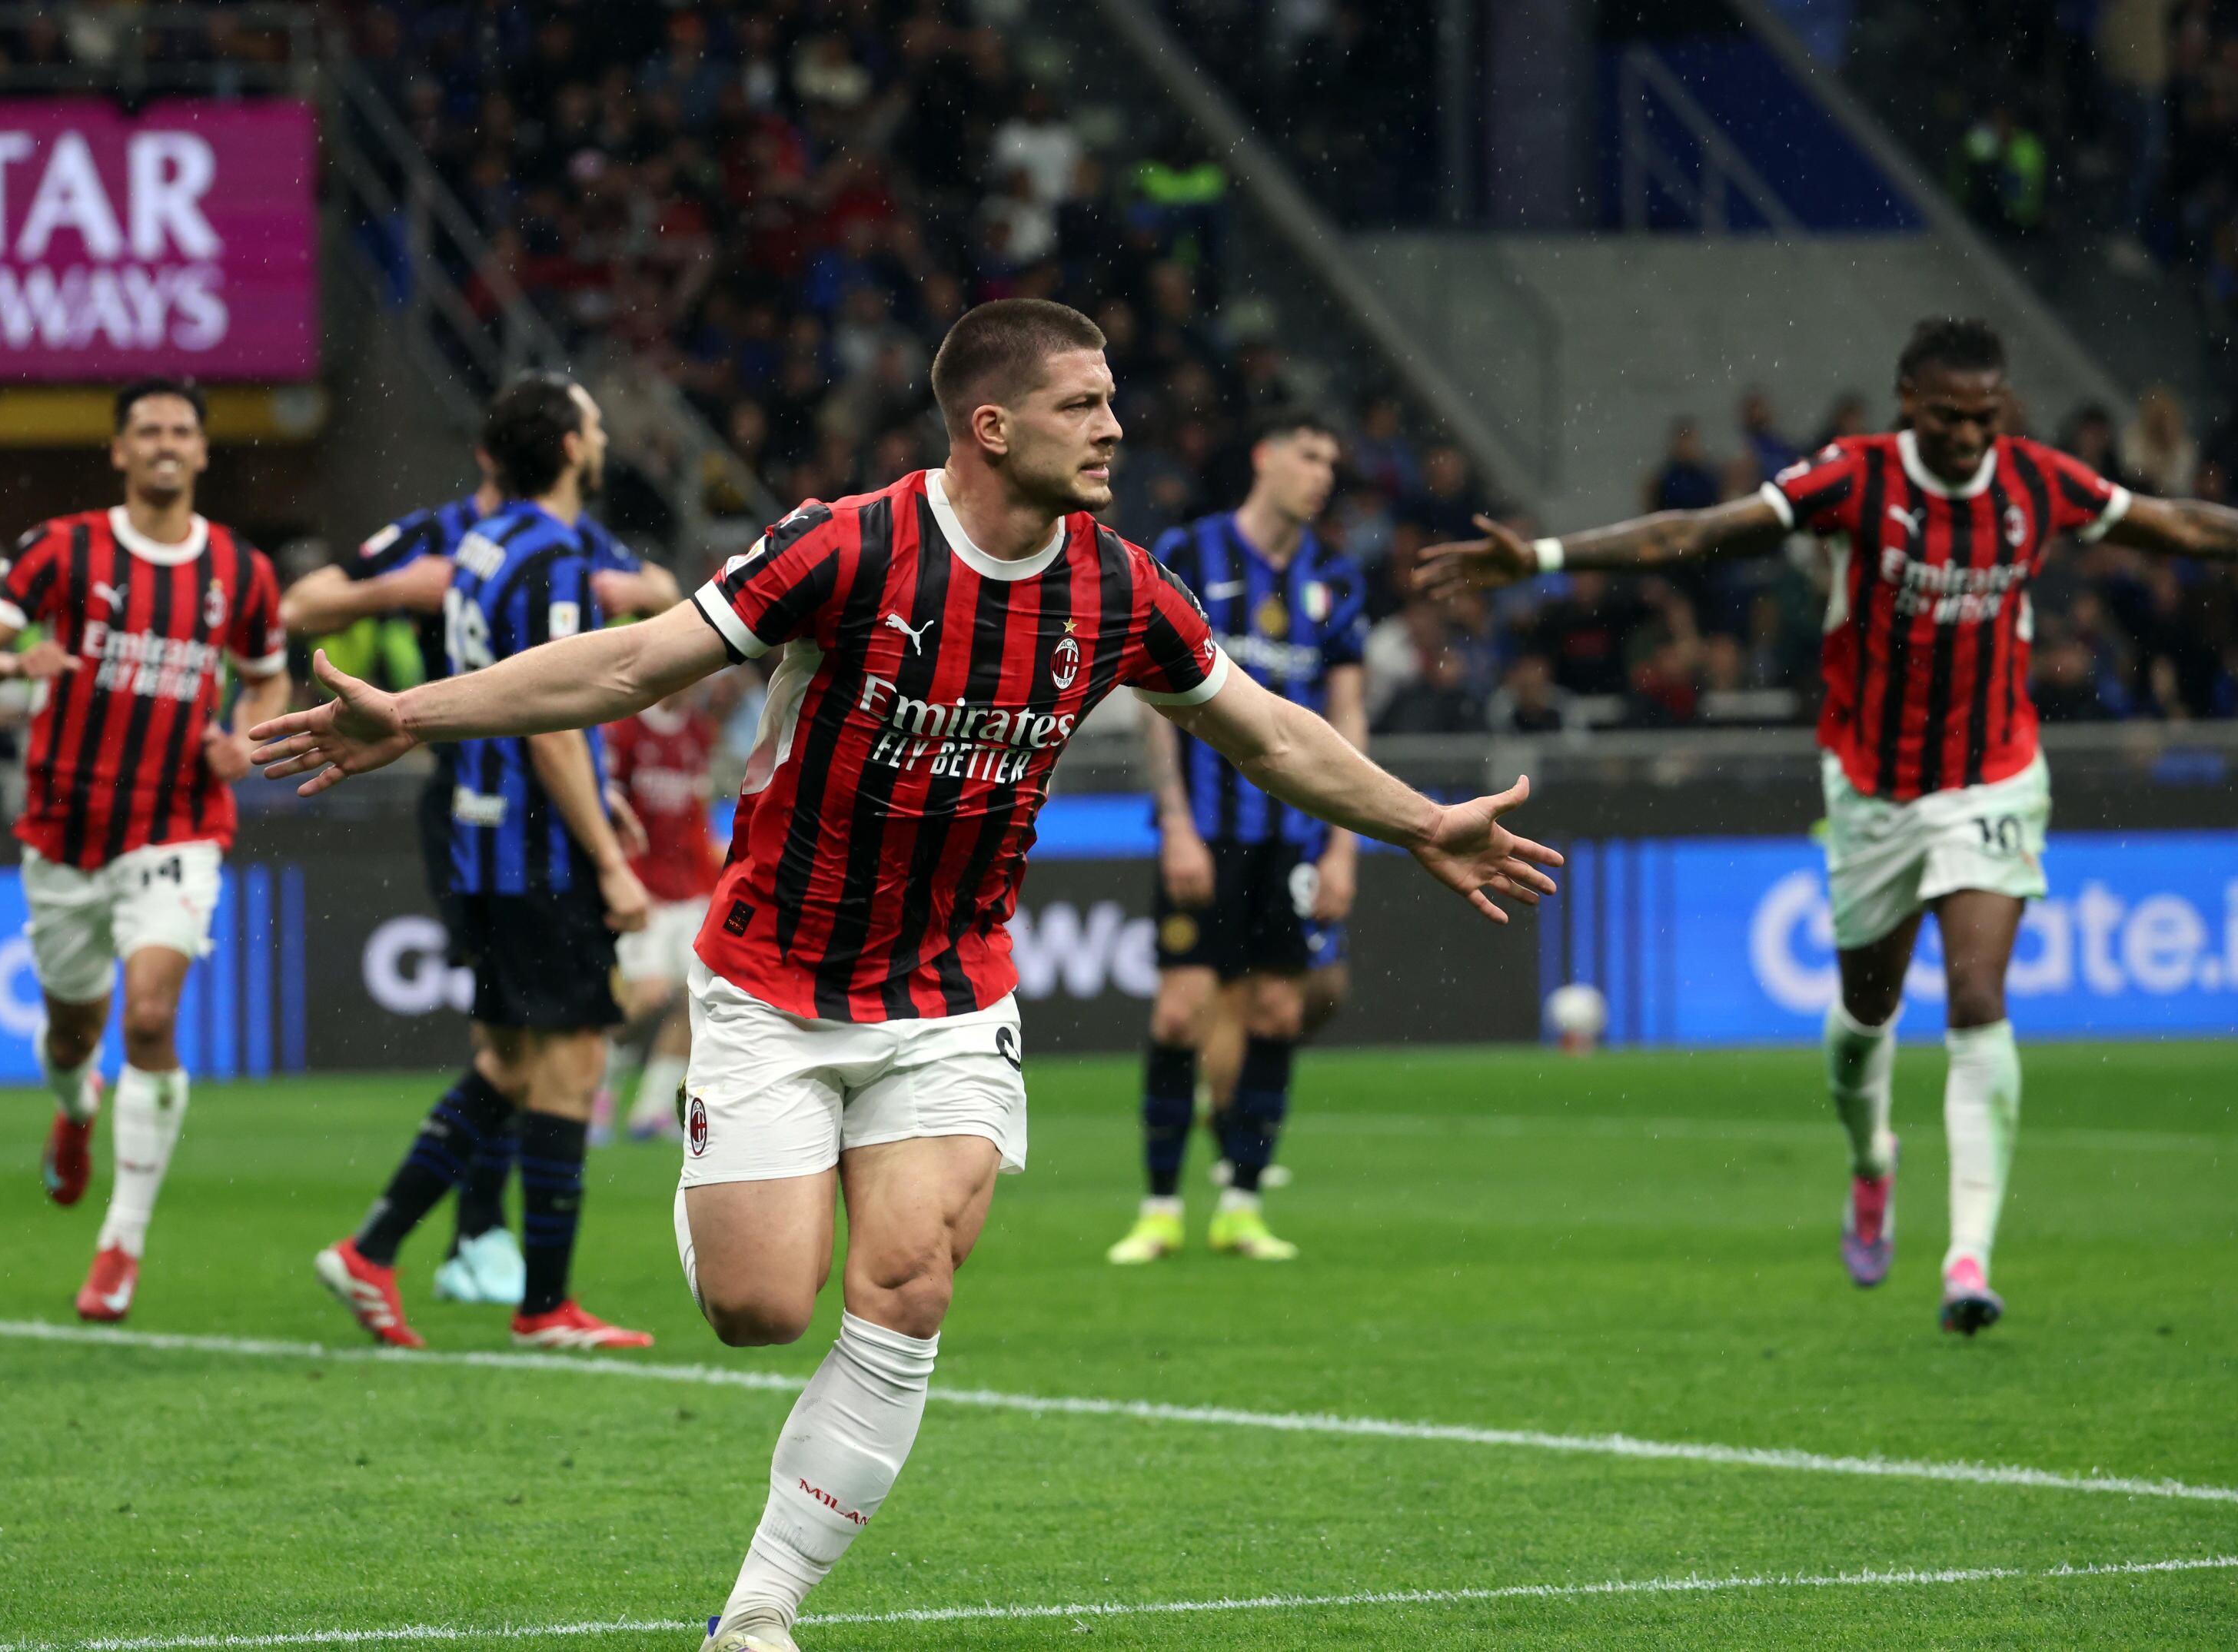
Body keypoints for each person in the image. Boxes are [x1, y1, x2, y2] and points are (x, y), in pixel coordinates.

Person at [251, 298, 1560, 1652]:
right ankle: (724, 1164)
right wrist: (415, 713)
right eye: (1081, 404)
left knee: (910, 1279)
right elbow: (635, 662)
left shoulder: (1121, 587)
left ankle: (759, 1608)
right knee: (761, 1307)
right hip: (771, 980)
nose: (1115, 427)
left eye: (1113, 400)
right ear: (990, 426)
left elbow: (1269, 733)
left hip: (950, 994)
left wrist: (1419, 820)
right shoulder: (845, 544)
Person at [1416, 316, 2238, 1336]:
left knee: (1978, 994)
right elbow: (1692, 534)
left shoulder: (2039, 481)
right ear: (1909, 401)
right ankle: (1871, 1159)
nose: (1969, 436)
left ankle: (1969, 1258)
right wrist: (1544, 554)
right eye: (1949, 416)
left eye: (1985, 416)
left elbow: (2182, 526)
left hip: (1991, 777)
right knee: (1865, 1016)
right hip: (1872, 792)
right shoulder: (1856, 478)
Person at [309, 373, 667, 1352]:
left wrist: (600, 794)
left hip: (479, 835)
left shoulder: (481, 544)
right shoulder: (555, 555)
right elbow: (552, 718)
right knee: (572, 1062)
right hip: (537, 848)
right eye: (594, 424)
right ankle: (545, 1305)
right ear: (569, 446)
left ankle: (373, 1249)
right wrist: (608, 857)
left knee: (509, 1061)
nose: (603, 438)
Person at [0, 378, 290, 1322]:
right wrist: (13, 661)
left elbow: (267, 679)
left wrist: (245, 738)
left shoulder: (242, 571)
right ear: (120, 450)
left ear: (202, 450)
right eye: (148, 430)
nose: (166, 443)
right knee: (72, 1038)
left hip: (177, 824)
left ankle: (120, 1245)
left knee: (150, 1019)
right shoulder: (62, 549)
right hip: (65, 833)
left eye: (181, 430)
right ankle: (77, 1107)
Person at [1109, 407, 1366, 1265]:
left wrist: (1343, 842)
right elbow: (1153, 700)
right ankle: (1157, 1208)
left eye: (1331, 460)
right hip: (1207, 828)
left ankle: (1242, 1203)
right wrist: (1176, 821)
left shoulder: (1336, 576)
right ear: (1265, 456)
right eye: (1309, 453)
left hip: (1295, 835)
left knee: (1278, 1008)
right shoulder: (1190, 552)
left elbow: (1348, 715)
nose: (1323, 473)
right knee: (1181, 1009)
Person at [594, 677, 740, 1145]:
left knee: (695, 999)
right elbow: (605, 815)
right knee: (646, 994)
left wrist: (713, 874)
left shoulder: (697, 730)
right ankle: (593, 1088)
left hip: (688, 890)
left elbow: (695, 812)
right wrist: (615, 879)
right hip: (641, 890)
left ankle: (652, 1109)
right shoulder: (624, 730)